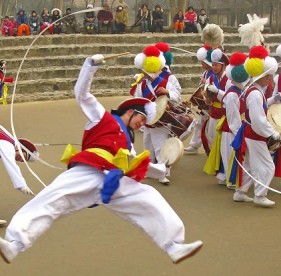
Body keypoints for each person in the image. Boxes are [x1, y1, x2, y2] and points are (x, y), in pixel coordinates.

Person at [0, 54, 203, 264]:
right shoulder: (101, 117)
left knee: (149, 197)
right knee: (50, 199)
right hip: (88, 170)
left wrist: (162, 167)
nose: (142, 125)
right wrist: (90, 67)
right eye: (142, 119)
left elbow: (135, 163)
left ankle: (174, 245)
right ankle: (14, 244)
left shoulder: (129, 142)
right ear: (131, 112)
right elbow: (82, 94)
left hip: (113, 181)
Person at [229, 45, 279, 206]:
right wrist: (273, 133)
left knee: (249, 165)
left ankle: (241, 192)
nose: (270, 80)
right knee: (267, 166)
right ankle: (259, 195)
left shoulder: (255, 90)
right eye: (269, 76)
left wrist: (274, 99)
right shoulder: (256, 93)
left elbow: (259, 111)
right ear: (262, 75)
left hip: (251, 133)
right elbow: (258, 120)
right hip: (255, 134)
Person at [133, 45, 181, 184]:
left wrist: (167, 93)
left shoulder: (165, 83)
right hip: (148, 120)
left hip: (161, 119)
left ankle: (163, 173)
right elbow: (137, 100)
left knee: (160, 147)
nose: (145, 74)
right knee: (148, 145)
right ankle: (150, 169)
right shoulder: (141, 85)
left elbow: (177, 97)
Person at [204, 52, 250, 190]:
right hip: (220, 117)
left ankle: (227, 176)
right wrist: (207, 97)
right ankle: (225, 175)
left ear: (224, 66)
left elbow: (228, 99)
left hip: (227, 118)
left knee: (228, 150)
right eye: (212, 65)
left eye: (217, 65)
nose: (214, 67)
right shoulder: (211, 78)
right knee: (221, 148)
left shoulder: (230, 82)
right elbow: (224, 99)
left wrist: (217, 91)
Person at [0, 130, 39, 226]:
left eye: (23, 161)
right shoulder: (8, 144)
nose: (20, 160)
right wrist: (22, 185)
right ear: (22, 148)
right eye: (24, 157)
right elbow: (11, 165)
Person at [184, 44, 213, 155]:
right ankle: (194, 145)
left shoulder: (214, 73)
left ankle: (210, 149)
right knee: (199, 124)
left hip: (211, 105)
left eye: (203, 62)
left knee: (210, 129)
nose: (202, 64)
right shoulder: (206, 72)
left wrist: (206, 83)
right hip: (204, 104)